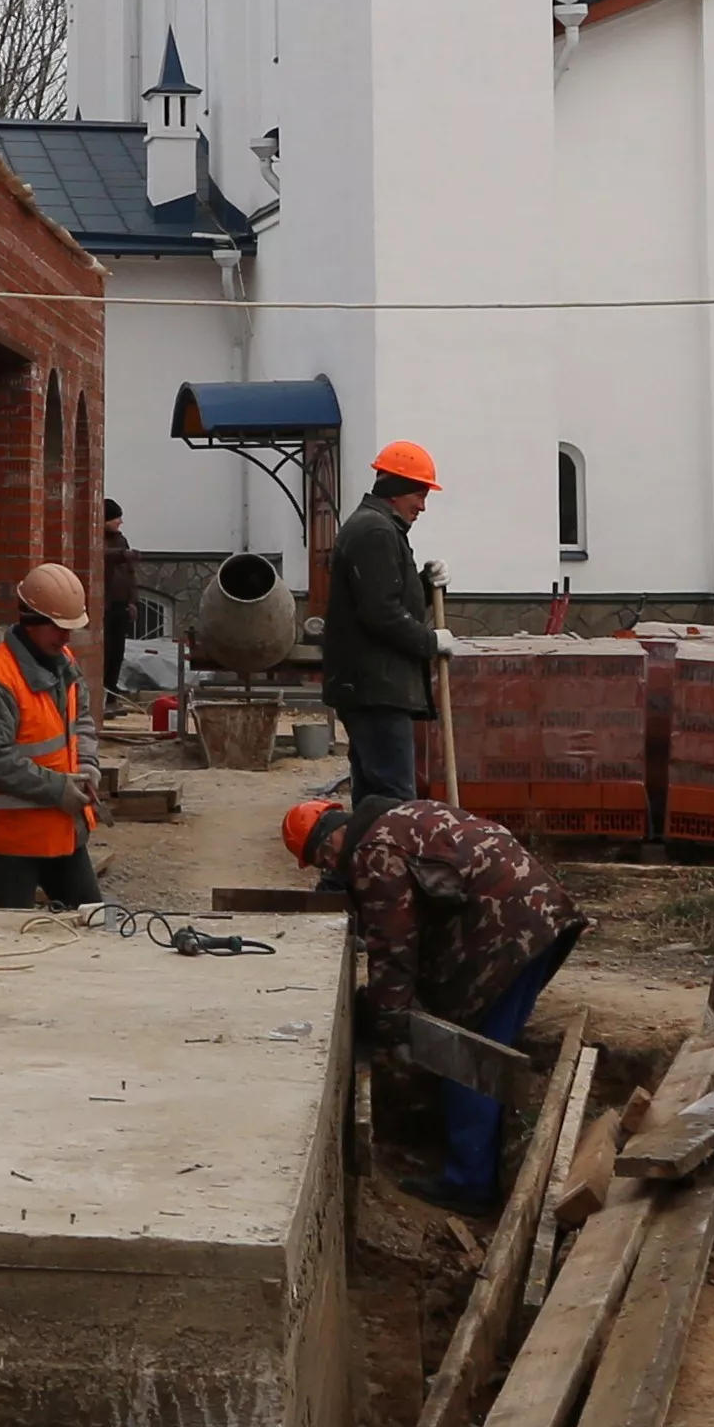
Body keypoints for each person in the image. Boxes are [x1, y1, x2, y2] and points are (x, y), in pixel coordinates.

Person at [290, 792, 583, 1206]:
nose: (329, 868)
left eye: (322, 857)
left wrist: (386, 1024)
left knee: (466, 1058)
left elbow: (393, 947)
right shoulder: (404, 815)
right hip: (540, 917)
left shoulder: (373, 853)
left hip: (504, 938)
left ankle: (469, 1184)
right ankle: (490, 1158)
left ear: (332, 837)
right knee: (493, 1049)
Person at [0, 563, 102, 908]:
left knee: (95, 922)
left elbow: (80, 720)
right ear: (32, 621)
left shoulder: (64, 661)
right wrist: (57, 788)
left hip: (63, 831)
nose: (66, 637)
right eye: (59, 627)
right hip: (12, 842)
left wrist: (87, 765)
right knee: (10, 939)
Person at [324, 439, 444, 813]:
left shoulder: (381, 528)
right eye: (419, 495)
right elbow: (379, 612)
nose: (422, 506)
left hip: (372, 687)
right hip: (375, 690)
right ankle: (386, 866)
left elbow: (387, 597)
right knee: (392, 800)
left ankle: (364, 868)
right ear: (396, 490)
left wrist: (425, 584)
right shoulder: (374, 531)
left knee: (375, 798)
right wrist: (430, 642)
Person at [98, 496, 142, 705]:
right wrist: (121, 554)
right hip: (104, 605)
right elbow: (103, 556)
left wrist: (133, 601)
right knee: (104, 651)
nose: (120, 522)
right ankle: (101, 691)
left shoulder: (121, 539)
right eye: (116, 518)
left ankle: (112, 692)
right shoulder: (98, 539)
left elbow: (130, 573)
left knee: (117, 651)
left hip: (121, 605)